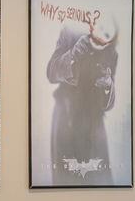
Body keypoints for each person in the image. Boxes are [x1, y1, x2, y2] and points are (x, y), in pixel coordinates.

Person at [45, 10, 120, 183]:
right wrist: (73, 54)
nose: (101, 33)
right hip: (67, 119)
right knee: (65, 183)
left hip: (94, 126)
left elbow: (108, 104)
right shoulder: (70, 33)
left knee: (100, 183)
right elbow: (51, 73)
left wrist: (108, 86)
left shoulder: (111, 54)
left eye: (107, 34)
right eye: (101, 26)